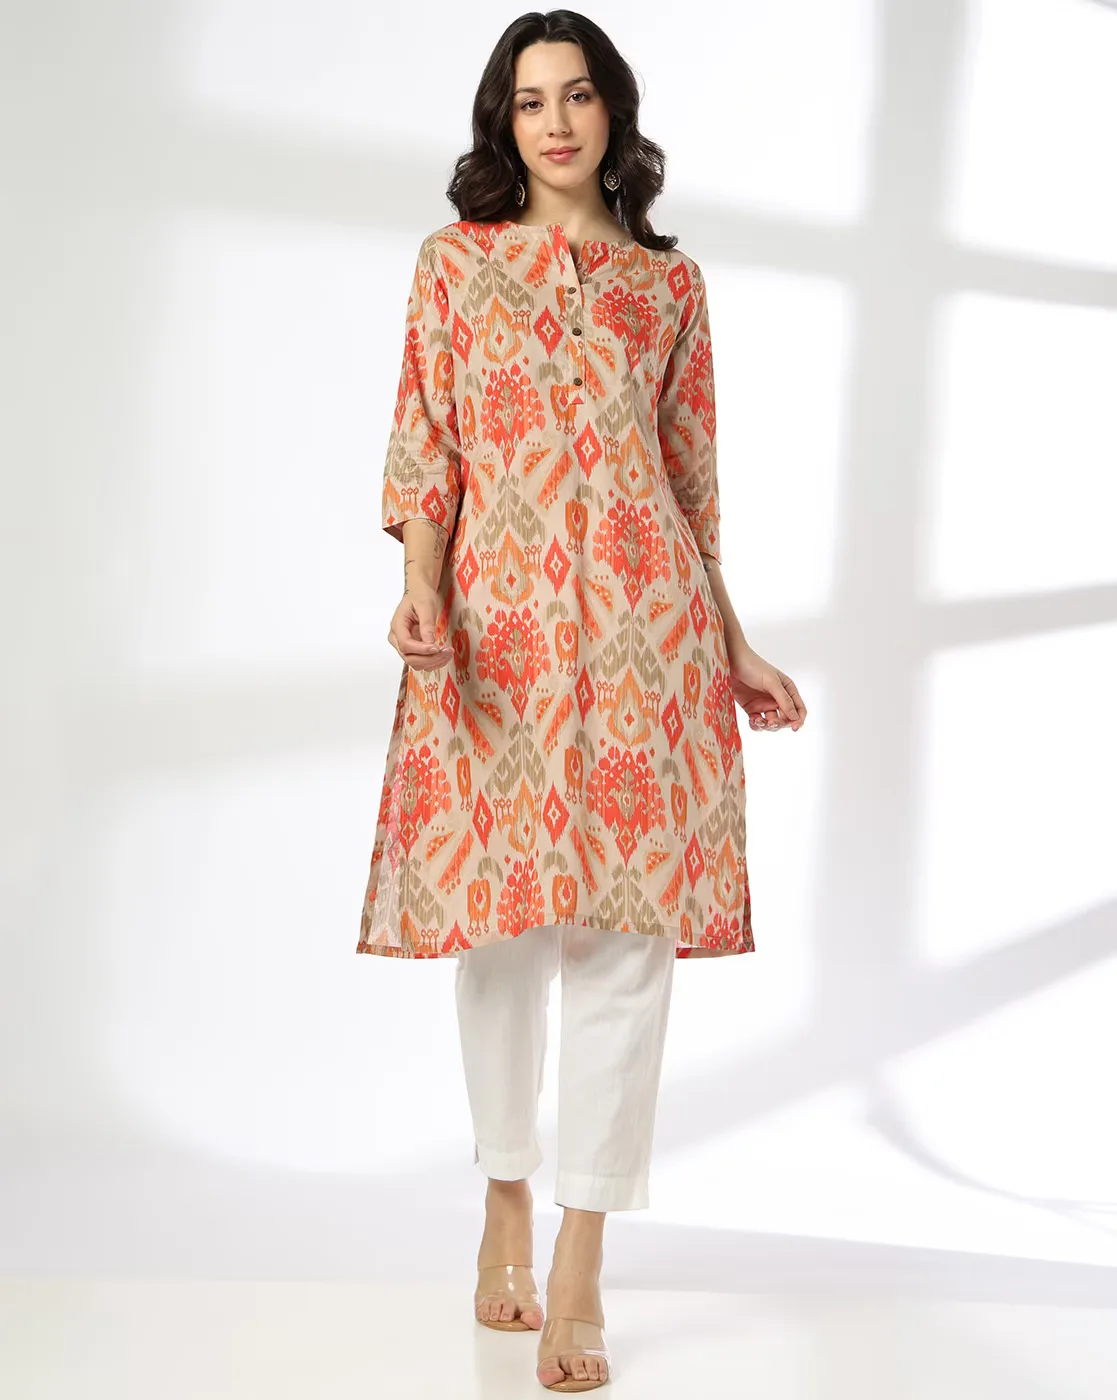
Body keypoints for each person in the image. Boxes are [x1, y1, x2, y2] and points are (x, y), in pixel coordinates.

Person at [357, 10, 807, 1391]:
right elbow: (426, 443)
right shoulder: (455, 266)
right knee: (499, 930)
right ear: (504, 123)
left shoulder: (668, 288)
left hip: (645, 637)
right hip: (493, 635)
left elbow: (692, 483)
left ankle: (581, 1254)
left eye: (577, 95)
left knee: (626, 944)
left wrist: (732, 640)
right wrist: (420, 584)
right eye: (529, 101)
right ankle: (505, 1192)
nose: (554, 122)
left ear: (614, 111)